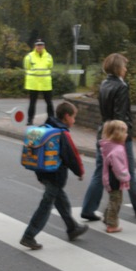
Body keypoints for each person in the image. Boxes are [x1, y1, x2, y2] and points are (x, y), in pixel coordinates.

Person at [80, 53, 136, 221]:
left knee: (100, 171)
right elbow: (120, 114)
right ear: (118, 68)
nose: (126, 69)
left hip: (103, 132)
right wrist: (125, 132)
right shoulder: (121, 87)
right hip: (118, 134)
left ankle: (88, 208)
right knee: (128, 170)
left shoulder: (103, 84)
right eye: (124, 66)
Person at [20, 101, 89, 250]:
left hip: (42, 172)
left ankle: (72, 228)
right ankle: (29, 235)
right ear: (66, 116)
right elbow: (71, 155)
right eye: (73, 117)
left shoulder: (45, 127)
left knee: (61, 200)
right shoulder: (62, 133)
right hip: (56, 174)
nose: (74, 121)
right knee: (46, 205)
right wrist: (80, 171)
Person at [100, 120, 131, 233]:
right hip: (115, 180)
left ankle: (107, 218)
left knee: (113, 199)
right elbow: (119, 169)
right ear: (118, 135)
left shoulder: (110, 146)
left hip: (109, 178)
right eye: (125, 132)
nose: (127, 135)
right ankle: (112, 225)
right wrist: (126, 177)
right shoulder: (117, 150)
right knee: (116, 201)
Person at [24, 39, 54, 125]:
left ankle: (51, 119)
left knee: (49, 102)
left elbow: (50, 67)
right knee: (32, 102)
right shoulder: (29, 56)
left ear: (44, 46)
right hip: (33, 83)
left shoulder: (48, 56)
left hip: (45, 82)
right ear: (35, 46)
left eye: (41, 45)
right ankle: (30, 120)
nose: (39, 47)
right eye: (38, 45)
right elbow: (27, 68)